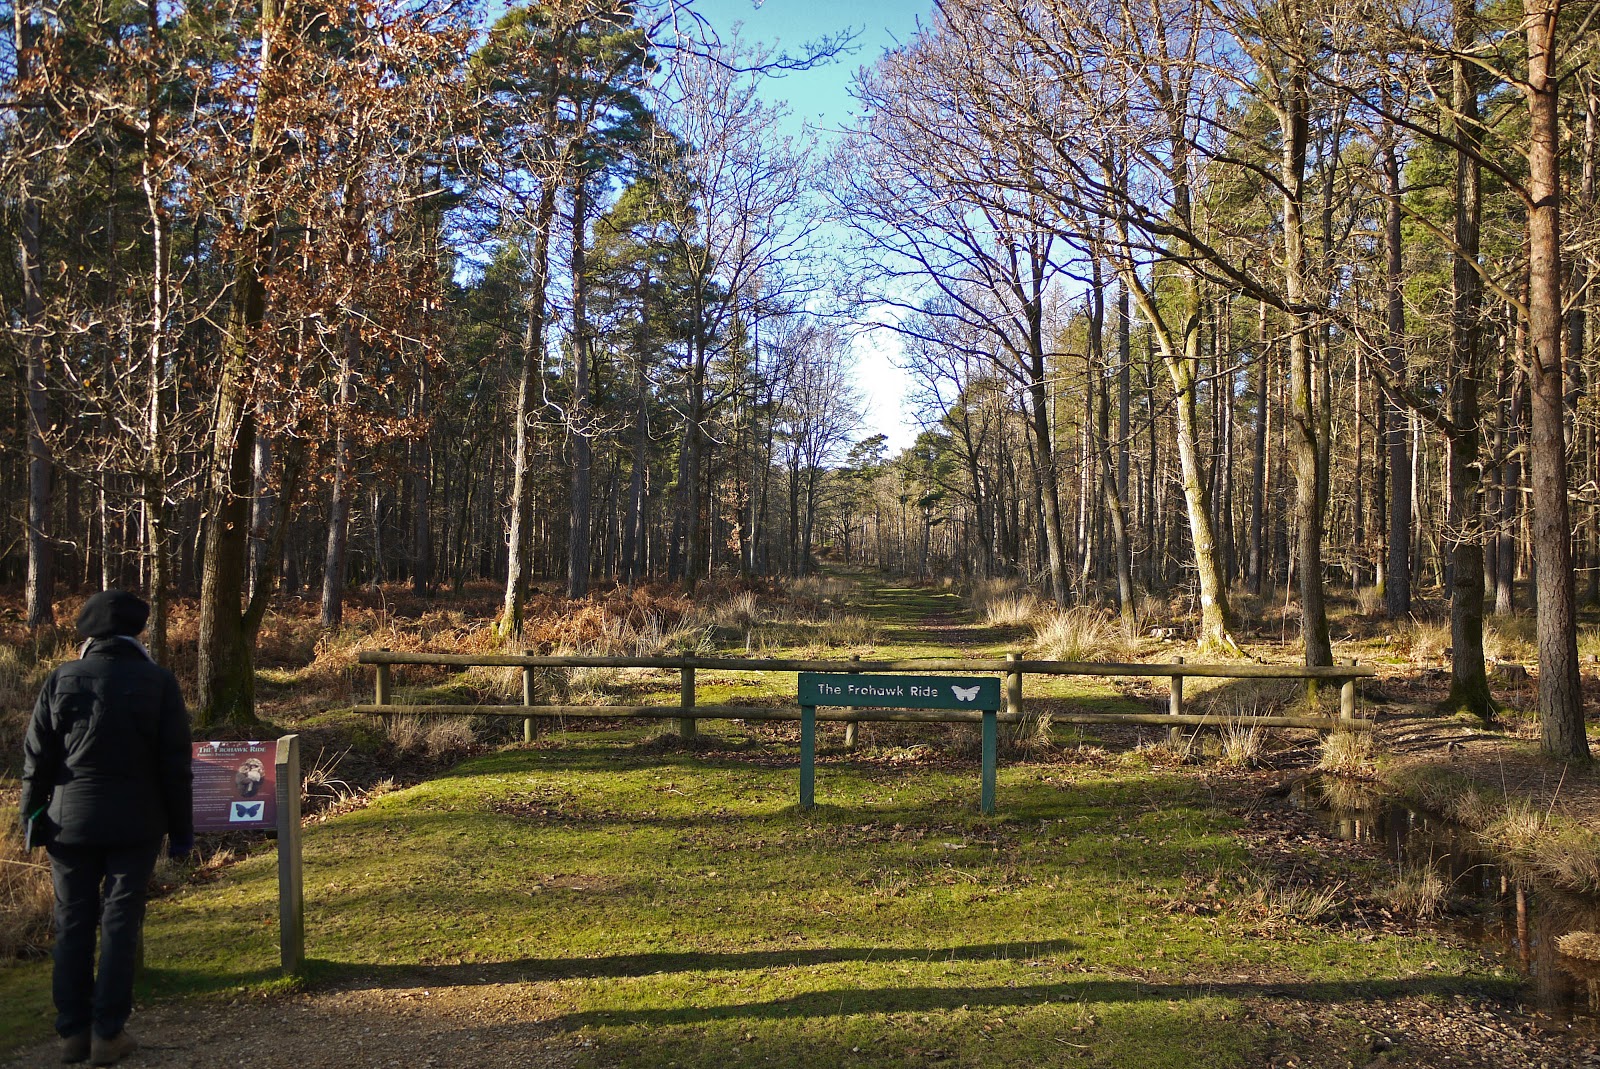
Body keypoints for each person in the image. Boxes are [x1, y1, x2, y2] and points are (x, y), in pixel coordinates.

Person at [20, 590, 193, 1066]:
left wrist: (30, 820)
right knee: (120, 922)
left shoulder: (61, 679)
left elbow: (36, 758)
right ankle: (108, 1031)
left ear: (88, 633)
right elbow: (175, 765)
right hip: (136, 821)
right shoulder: (157, 681)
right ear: (137, 631)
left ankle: (72, 1030)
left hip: (68, 821)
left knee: (70, 921)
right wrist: (181, 832)